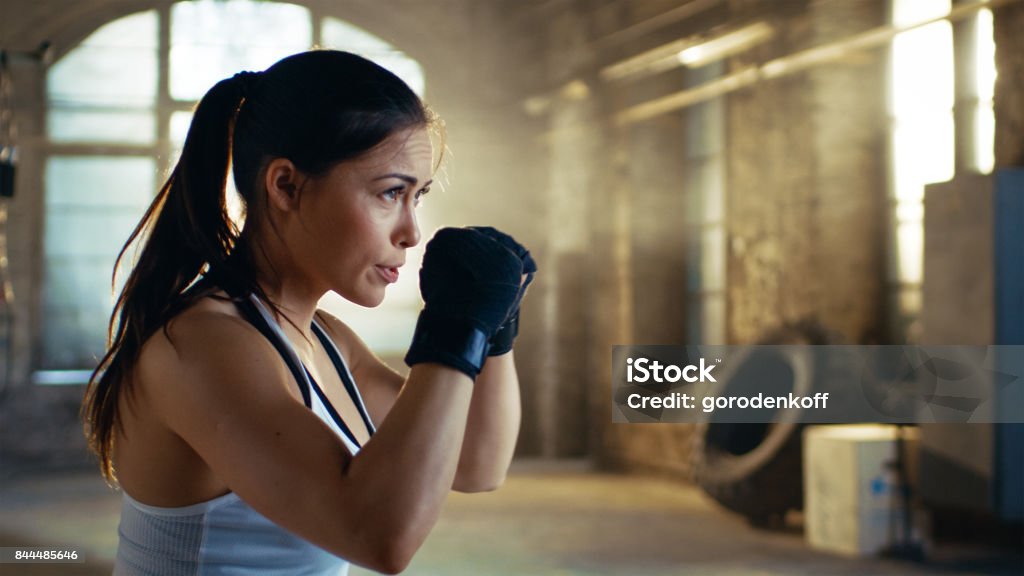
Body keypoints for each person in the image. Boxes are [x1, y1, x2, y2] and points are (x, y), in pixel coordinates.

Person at [81, 49, 537, 575]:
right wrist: (455, 327)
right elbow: (378, 538)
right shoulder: (202, 345)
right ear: (286, 186)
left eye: (418, 197)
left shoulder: (324, 339)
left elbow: (476, 462)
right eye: (391, 193)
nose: (412, 232)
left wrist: (495, 328)